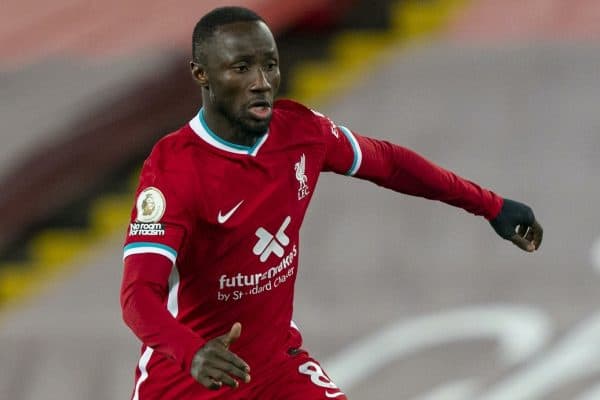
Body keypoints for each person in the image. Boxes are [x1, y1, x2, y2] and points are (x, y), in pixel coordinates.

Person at [120, 6, 543, 400]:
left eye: (270, 65)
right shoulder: (174, 169)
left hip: (273, 368)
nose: (261, 82)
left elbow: (390, 164)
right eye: (241, 68)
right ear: (202, 73)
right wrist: (190, 352)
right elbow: (139, 293)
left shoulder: (302, 132)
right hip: (189, 379)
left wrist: (490, 205)